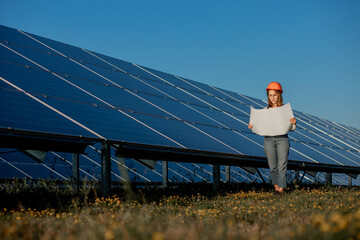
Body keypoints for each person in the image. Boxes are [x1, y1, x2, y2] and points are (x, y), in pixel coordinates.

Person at [248, 82, 296, 193]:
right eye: (270, 95)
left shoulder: (285, 110)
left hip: (282, 139)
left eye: (274, 95)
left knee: (282, 165)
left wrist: (294, 122)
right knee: (273, 165)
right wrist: (252, 125)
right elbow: (259, 124)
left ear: (279, 95)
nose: (272, 97)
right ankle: (276, 189)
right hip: (268, 139)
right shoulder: (265, 111)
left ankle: (281, 190)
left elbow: (292, 128)